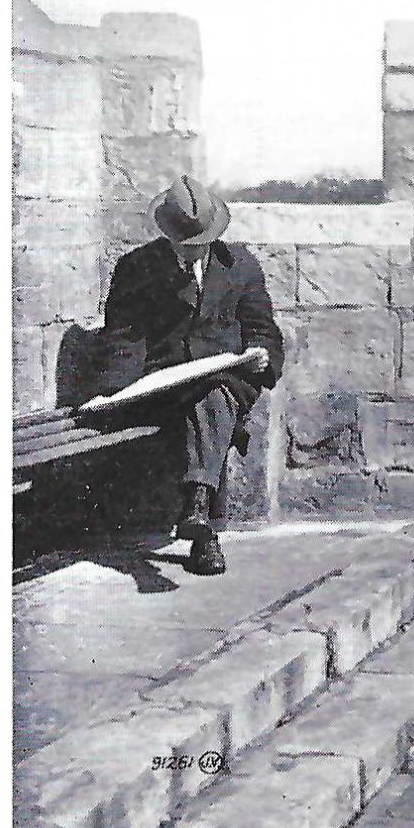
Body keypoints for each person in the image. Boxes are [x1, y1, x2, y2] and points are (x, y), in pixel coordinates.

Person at [103, 176, 285, 575]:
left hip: (230, 377)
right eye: (184, 244)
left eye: (201, 241)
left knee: (214, 395)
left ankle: (197, 512)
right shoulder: (136, 268)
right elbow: (123, 339)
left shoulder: (240, 265)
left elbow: (263, 328)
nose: (194, 251)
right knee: (208, 404)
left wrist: (260, 357)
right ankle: (203, 526)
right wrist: (115, 393)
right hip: (166, 383)